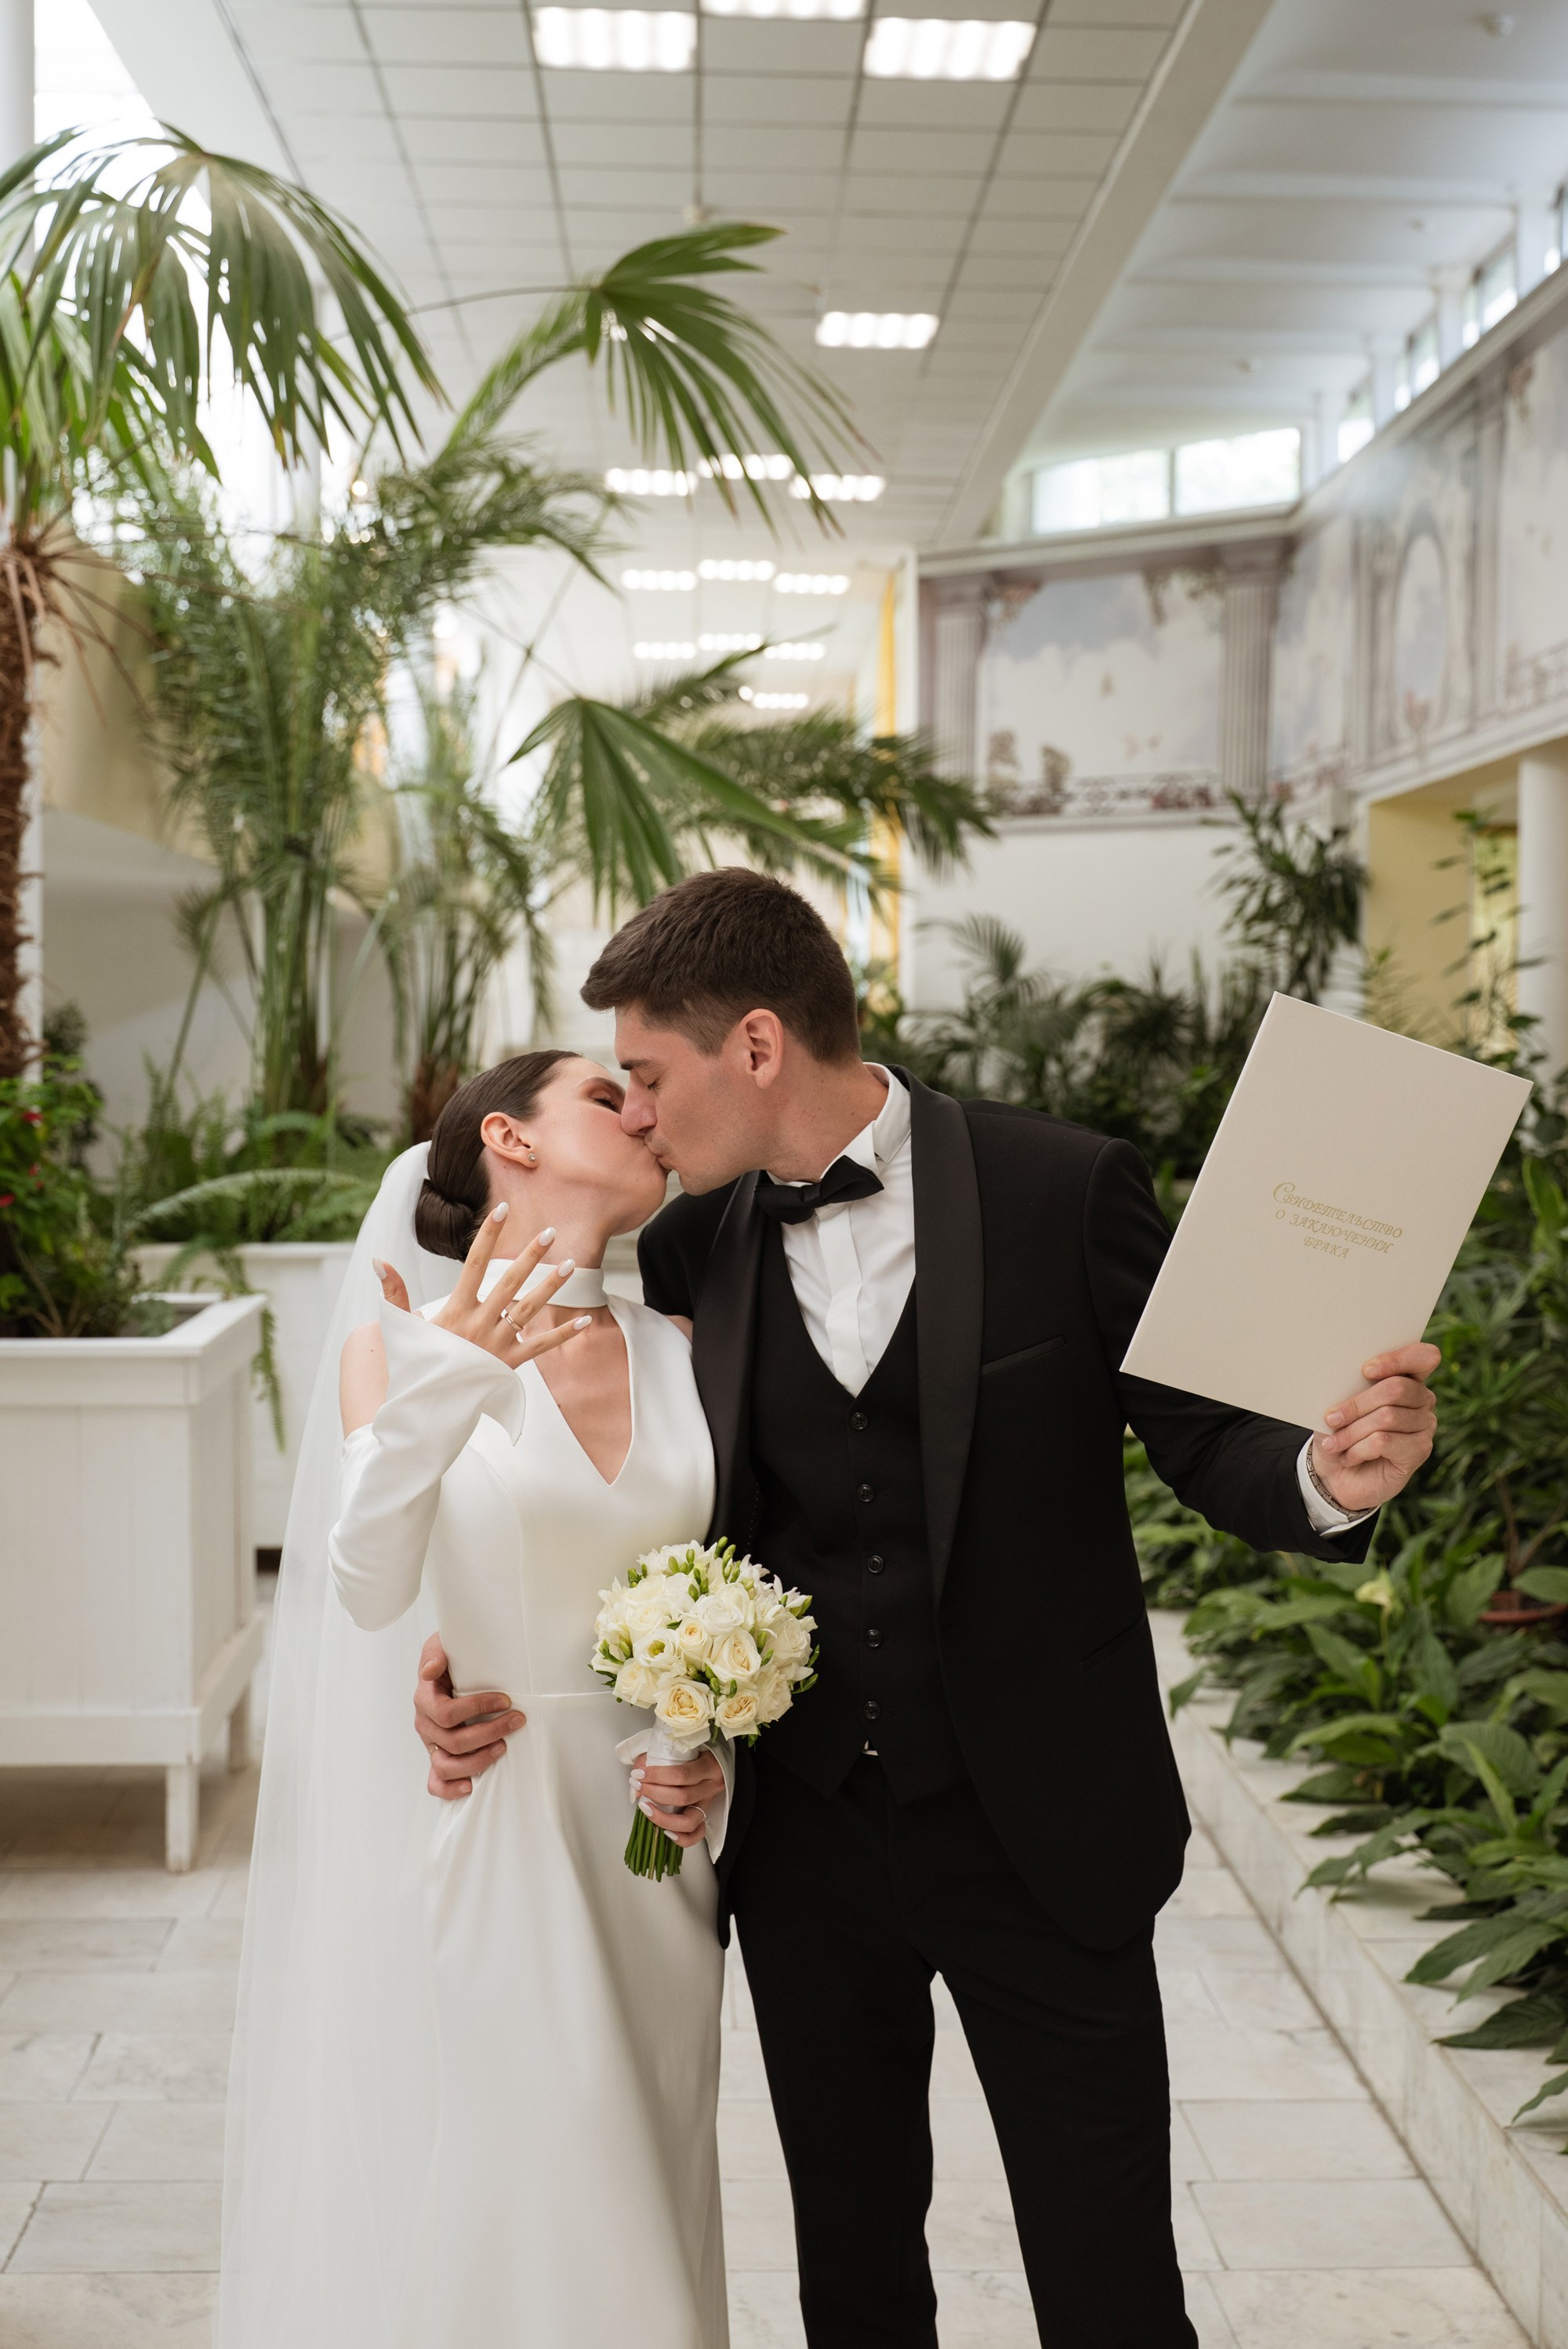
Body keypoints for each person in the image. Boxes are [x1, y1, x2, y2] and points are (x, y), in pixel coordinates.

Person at [415, 867, 1441, 2349]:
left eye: (648, 1074)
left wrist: (1334, 1476)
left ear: (757, 1047)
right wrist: (464, 1663)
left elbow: (1209, 1439)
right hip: (810, 1842)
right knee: (855, 2272)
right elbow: (617, 1494)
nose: (636, 1113)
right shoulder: (695, 1246)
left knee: (1110, 2279)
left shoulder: (1062, 1186)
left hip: (1047, 1830)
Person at [220, 1052, 733, 2349]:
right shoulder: (395, 1339)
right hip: (501, 1834)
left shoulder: (682, 1347)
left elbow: (721, 1592)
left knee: (656, 2187)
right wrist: (446, 1369)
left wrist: (711, 1739)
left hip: (653, 1854)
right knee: (552, 2193)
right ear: (508, 1136)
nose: (647, 1116)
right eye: (608, 1095)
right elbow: (368, 1579)